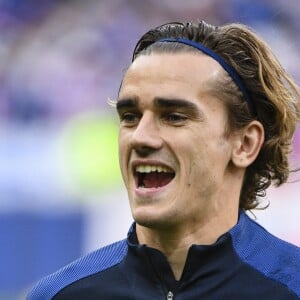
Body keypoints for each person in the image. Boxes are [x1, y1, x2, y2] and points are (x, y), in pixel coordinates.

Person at [27, 20, 300, 299]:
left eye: (174, 117)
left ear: (245, 143)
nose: (140, 138)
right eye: (130, 117)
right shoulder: (59, 294)